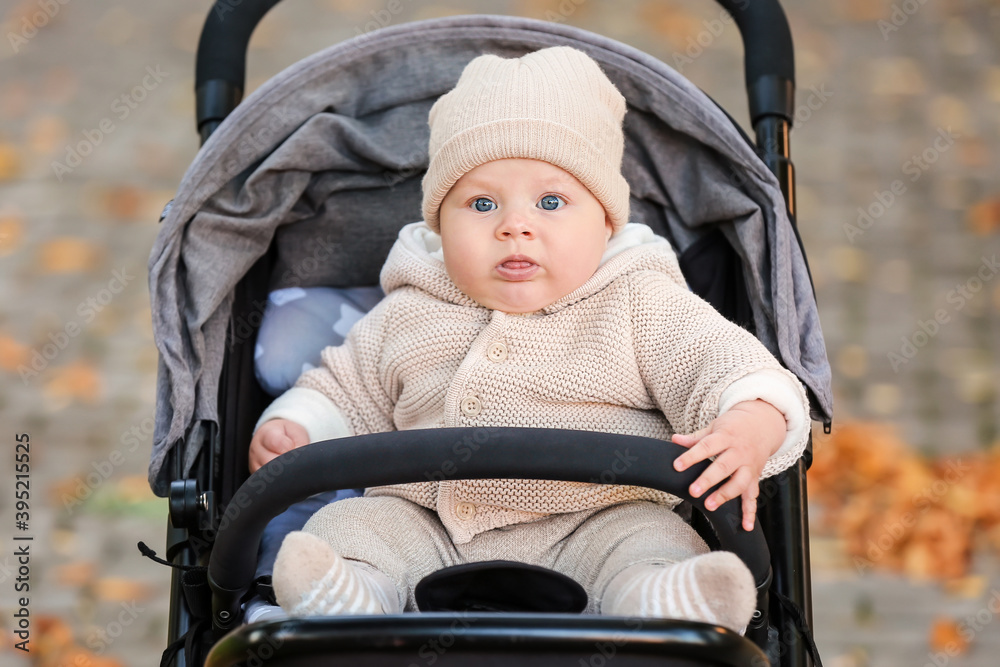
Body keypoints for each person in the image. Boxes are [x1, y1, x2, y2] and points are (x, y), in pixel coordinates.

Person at [248, 45, 810, 633]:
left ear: (606, 220)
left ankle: (663, 602)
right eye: (482, 203)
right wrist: (300, 425)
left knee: (657, 540)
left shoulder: (640, 301)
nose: (515, 225)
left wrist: (749, 423)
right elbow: (346, 387)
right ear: (439, 226)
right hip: (426, 521)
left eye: (551, 201)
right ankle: (351, 595)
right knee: (354, 526)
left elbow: (725, 364)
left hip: (599, 519)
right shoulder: (411, 309)